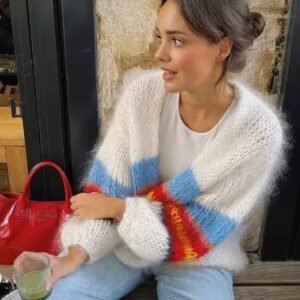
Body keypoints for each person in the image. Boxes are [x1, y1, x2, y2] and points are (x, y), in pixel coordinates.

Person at [15, 0, 288, 299]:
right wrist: (73, 256)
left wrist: (120, 209)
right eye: (161, 37)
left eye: (178, 41)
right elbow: (106, 191)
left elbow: (198, 229)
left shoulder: (257, 133)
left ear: (222, 48)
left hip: (198, 257)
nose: (160, 53)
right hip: (123, 244)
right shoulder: (142, 98)